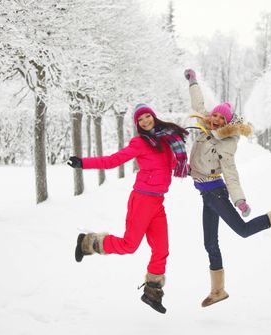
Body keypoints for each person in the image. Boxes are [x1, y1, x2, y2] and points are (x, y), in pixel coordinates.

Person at [183, 69, 271, 307]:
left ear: (226, 124)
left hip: (216, 193)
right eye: (215, 116)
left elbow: (231, 174)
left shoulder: (226, 143)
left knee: (243, 231)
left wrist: (239, 200)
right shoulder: (203, 124)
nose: (215, 120)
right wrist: (193, 81)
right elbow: (197, 102)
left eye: (221, 120)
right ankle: (218, 291)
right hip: (206, 195)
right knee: (210, 243)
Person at [67, 103, 189, 314]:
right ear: (137, 125)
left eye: (147, 117)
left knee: (161, 249)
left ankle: (152, 292)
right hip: (142, 200)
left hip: (158, 202)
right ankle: (87, 242)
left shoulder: (167, 141)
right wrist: (83, 163)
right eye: (140, 120)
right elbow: (113, 161)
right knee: (129, 245)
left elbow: (175, 167)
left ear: (153, 116)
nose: (145, 121)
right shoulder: (140, 142)